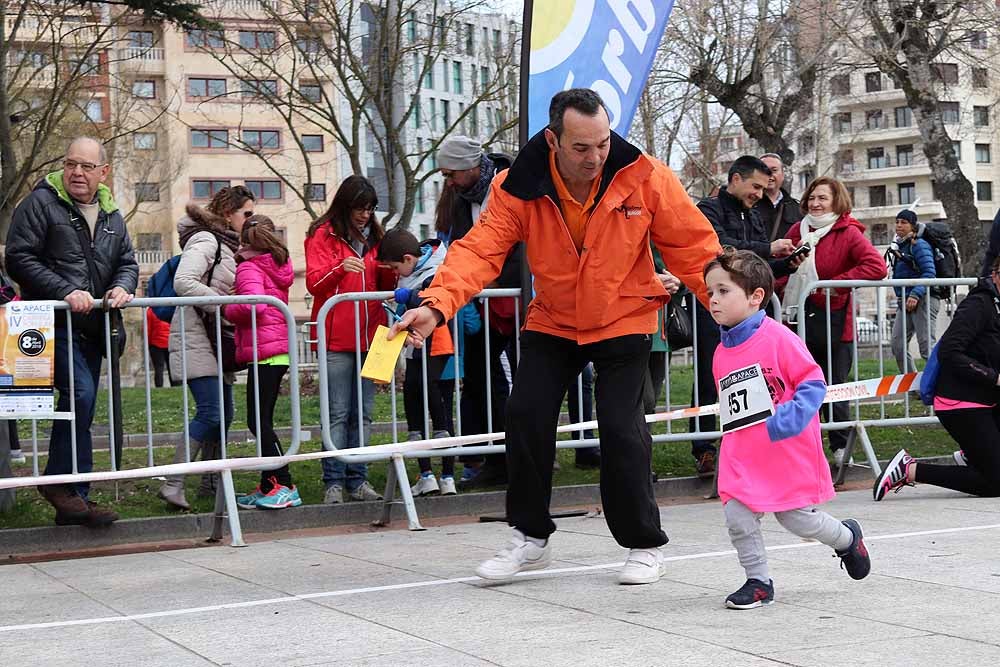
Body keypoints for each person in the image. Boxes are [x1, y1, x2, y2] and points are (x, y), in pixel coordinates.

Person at [391, 88, 722, 585]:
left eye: (603, 144)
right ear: (553, 140)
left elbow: (694, 248)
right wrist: (436, 307)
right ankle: (530, 538)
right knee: (524, 415)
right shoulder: (516, 186)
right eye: (581, 148)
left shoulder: (647, 176)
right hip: (554, 319)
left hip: (625, 315)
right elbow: (477, 253)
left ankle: (642, 543)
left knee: (620, 427)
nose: (595, 158)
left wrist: (732, 308)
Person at [705, 248, 870, 609]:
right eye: (710, 293)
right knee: (737, 516)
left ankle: (846, 538)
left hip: (784, 448)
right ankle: (758, 581)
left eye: (723, 291)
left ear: (755, 297)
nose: (713, 300)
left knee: (797, 520)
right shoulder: (720, 351)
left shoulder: (779, 338)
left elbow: (812, 383)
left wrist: (788, 420)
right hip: (743, 452)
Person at [6, 136, 137, 527]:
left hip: (93, 327)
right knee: (79, 393)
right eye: (70, 164)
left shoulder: (113, 214)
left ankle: (74, 498)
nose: (77, 172)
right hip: (49, 324)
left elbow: (127, 261)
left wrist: (123, 286)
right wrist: (65, 291)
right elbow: (18, 257)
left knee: (84, 402)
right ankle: (59, 483)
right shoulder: (40, 203)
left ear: (103, 172)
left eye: (85, 166)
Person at [692, 156, 801, 476]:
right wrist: (769, 248)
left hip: (752, 317)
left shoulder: (753, 215)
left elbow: (755, 266)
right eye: (755, 186)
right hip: (715, 310)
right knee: (709, 380)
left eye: (763, 188)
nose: (759, 194)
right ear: (736, 179)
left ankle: (753, 445)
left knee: (757, 380)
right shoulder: (708, 209)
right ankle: (704, 448)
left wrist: (785, 263)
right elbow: (724, 251)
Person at [777, 177, 886, 467]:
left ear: (836, 201)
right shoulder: (796, 231)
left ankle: (840, 449)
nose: (815, 203)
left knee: (834, 387)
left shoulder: (848, 232)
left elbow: (876, 267)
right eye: (812, 197)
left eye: (822, 198)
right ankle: (805, 450)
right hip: (796, 322)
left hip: (836, 324)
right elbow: (781, 270)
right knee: (800, 387)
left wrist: (831, 284)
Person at [874, 258, 1000, 501]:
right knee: (994, 484)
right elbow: (949, 352)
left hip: (989, 400)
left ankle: (972, 455)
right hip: (961, 400)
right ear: (995, 274)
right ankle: (909, 470)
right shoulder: (979, 305)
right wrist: (993, 378)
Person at [434, 135, 519, 490]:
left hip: (519, 300)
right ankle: (490, 457)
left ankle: (524, 458)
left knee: (524, 383)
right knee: (479, 381)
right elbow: (460, 247)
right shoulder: (460, 200)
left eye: (451, 173)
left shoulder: (513, 185)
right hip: (483, 302)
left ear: (471, 167)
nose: (448, 182)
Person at [159, 186, 251, 510]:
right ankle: (173, 483)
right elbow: (183, 281)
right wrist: (224, 305)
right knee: (211, 411)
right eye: (246, 214)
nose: (249, 220)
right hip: (196, 338)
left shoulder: (228, 245)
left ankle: (211, 485)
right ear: (229, 213)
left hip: (214, 341)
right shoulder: (207, 240)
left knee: (224, 414)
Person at [305, 175, 394, 504]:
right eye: (360, 207)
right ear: (345, 205)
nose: (366, 214)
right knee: (338, 413)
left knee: (364, 413)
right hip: (336, 338)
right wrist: (341, 268)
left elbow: (385, 279)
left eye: (370, 208)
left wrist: (395, 267)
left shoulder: (378, 237)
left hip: (372, 336)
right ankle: (333, 481)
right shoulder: (321, 234)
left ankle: (358, 480)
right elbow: (314, 284)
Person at [224, 215, 301, 510]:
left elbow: (252, 306)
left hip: (264, 350)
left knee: (258, 421)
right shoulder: (278, 263)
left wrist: (228, 305)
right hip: (275, 347)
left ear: (244, 240)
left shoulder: (248, 266)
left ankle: (284, 483)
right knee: (261, 419)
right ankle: (270, 483)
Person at [377, 228, 457, 496]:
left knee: (439, 402)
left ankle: (447, 475)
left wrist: (403, 297)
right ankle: (427, 474)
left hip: (440, 346)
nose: (395, 274)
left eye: (395, 268)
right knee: (415, 395)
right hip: (417, 345)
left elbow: (430, 295)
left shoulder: (438, 269)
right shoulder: (409, 275)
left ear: (410, 259)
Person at [888, 210, 939, 373]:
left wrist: (915, 294)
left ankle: (942, 387)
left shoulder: (919, 245)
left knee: (926, 347)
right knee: (897, 344)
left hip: (923, 299)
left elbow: (929, 273)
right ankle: (912, 387)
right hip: (905, 301)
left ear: (913, 226)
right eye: (897, 222)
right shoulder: (900, 246)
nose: (899, 225)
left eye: (903, 222)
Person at [754, 153, 802, 242]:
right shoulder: (746, 206)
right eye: (764, 170)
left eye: (774, 170)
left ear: (783, 174)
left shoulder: (797, 208)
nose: (769, 175)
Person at [146, 307, 175, 387]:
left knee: (158, 368)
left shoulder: (151, 310)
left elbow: (148, 328)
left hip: (156, 344)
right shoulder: (172, 308)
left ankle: (159, 386)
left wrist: (148, 343)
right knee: (172, 368)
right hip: (170, 342)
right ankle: (176, 386)